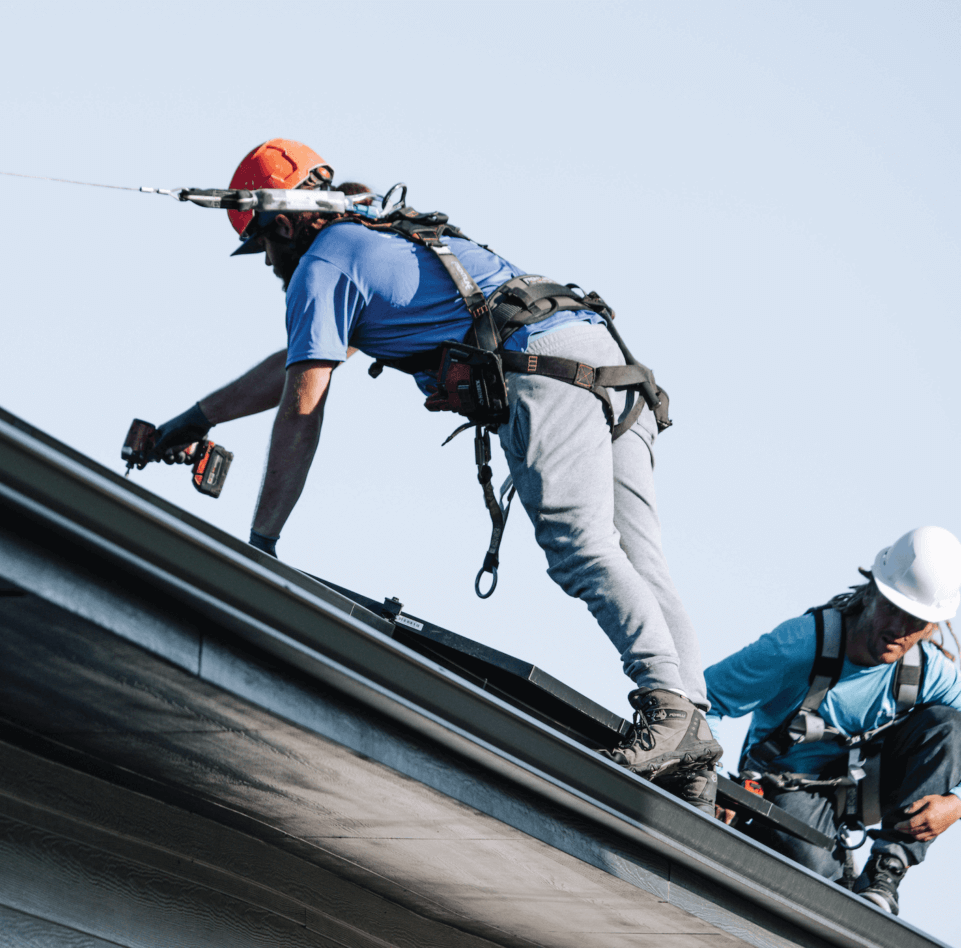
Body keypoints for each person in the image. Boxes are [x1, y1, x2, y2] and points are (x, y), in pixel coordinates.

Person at [151, 138, 721, 803]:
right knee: (640, 555)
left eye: (265, 247)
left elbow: (302, 406)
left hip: (541, 369)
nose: (270, 264)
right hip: (602, 355)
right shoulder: (375, 240)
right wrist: (200, 417)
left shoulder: (320, 267)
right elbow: (292, 367)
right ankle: (693, 746)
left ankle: (666, 710)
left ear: (282, 222)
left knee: (580, 546)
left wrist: (261, 546)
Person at [706, 526, 961, 915]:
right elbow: (704, 698)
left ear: (931, 626)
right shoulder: (800, 645)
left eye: (916, 621)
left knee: (950, 725)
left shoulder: (928, 671)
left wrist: (957, 805)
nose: (899, 630)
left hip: (863, 791)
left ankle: (885, 871)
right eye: (893, 608)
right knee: (822, 894)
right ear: (872, 591)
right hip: (785, 789)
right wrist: (714, 781)